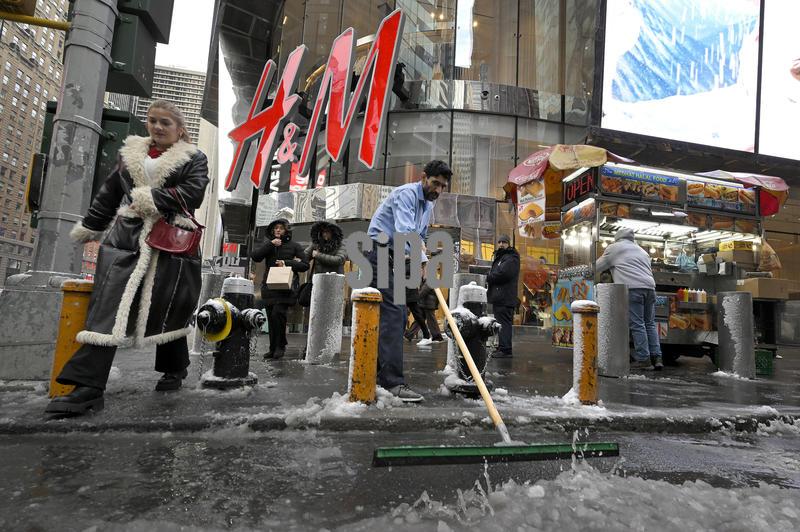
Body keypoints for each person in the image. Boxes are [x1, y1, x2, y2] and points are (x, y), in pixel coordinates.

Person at [45, 100, 209, 415]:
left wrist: (153, 198)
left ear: (180, 129)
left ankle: (175, 368)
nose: (158, 127)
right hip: (126, 237)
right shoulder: (129, 155)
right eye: (153, 121)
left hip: (171, 240)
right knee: (108, 306)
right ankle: (88, 387)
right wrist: (90, 228)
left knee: (168, 308)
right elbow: (108, 195)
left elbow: (194, 192)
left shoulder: (194, 157)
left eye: (166, 122)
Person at [367, 159, 451, 402]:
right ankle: (391, 382)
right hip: (379, 251)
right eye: (435, 183)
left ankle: (377, 373)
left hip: (395, 256)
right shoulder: (405, 195)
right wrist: (423, 261)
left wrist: (421, 260)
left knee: (399, 314)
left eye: (443, 186)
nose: (438, 190)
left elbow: (420, 235)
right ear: (423, 177)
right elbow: (405, 230)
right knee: (393, 312)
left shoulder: (427, 205)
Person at [595, 227, 662, 370]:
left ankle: (644, 359)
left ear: (617, 238)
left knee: (637, 324)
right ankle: (657, 357)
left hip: (633, 288)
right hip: (650, 288)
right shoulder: (642, 251)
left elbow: (597, 267)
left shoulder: (614, 248)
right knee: (650, 323)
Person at [251, 218, 309, 360]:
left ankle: (280, 346)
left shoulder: (294, 246)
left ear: (286, 230)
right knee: (271, 317)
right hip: (269, 287)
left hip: (285, 288)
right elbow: (256, 257)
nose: (278, 230)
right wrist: (270, 245)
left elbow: (305, 265)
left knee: (278, 314)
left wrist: (287, 263)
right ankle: (272, 348)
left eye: (281, 228)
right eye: (275, 228)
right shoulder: (269, 245)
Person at [486, 235, 520, 358]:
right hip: (501, 297)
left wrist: (489, 276)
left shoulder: (511, 257)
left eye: (504, 242)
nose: (501, 244)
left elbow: (503, 274)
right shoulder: (504, 257)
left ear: (508, 244)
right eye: (499, 242)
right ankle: (502, 347)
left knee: (504, 324)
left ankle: (505, 349)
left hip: (505, 297)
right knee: (501, 323)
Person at [408, 278, 444, 345]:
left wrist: (415, 298)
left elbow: (423, 291)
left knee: (430, 320)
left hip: (429, 303)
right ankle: (409, 335)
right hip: (424, 303)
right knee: (419, 319)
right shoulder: (424, 280)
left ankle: (437, 337)